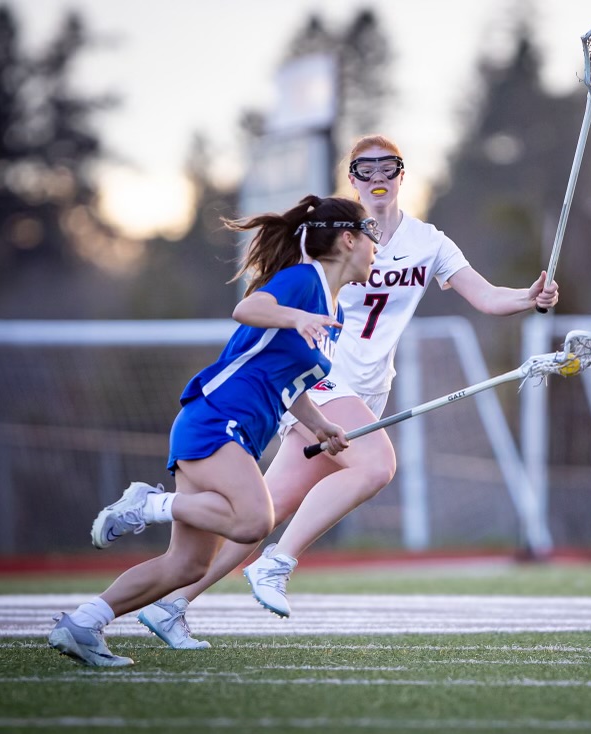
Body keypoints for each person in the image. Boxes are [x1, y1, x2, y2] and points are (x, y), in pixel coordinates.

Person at [137, 134, 559, 648]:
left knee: (263, 513)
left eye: (389, 166)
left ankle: (172, 604)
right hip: (323, 381)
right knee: (378, 465)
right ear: (352, 179)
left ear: (404, 174)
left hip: (368, 394)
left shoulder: (430, 242)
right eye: (365, 168)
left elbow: (489, 297)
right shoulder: (338, 239)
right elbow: (272, 301)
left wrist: (529, 297)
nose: (377, 175)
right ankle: (278, 564)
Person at [48, 195, 380, 666]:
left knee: (187, 565)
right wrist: (296, 316)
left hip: (229, 429)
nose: (376, 248)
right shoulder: (305, 281)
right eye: (372, 237)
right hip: (216, 418)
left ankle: (83, 624)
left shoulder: (334, 312)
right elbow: (249, 309)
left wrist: (322, 425)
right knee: (255, 522)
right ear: (348, 238)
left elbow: (292, 385)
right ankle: (151, 503)